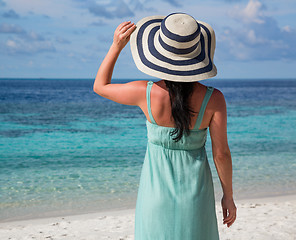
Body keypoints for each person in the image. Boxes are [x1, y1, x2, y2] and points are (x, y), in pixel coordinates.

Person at [93, 12, 236, 239]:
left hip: (154, 197)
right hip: (196, 196)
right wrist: (228, 195)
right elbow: (222, 154)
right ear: (196, 55)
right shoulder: (214, 99)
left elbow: (100, 86)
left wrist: (116, 46)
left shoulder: (145, 93)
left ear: (159, 54)